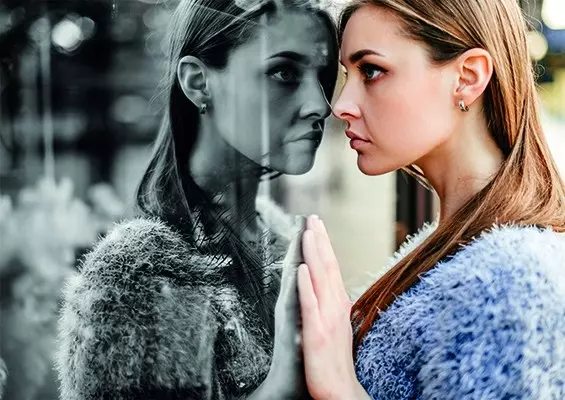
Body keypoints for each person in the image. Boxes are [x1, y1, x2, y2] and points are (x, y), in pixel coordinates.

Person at [55, 0, 338, 398]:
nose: (321, 105)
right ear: (198, 82)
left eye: (323, 76)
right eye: (285, 72)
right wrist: (281, 383)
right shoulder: (140, 275)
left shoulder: (282, 240)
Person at [295, 0, 565, 399]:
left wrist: (340, 388)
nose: (341, 106)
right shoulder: (456, 251)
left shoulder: (511, 283)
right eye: (347, 75)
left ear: (467, 78)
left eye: (371, 71)